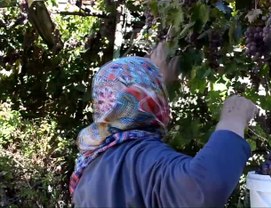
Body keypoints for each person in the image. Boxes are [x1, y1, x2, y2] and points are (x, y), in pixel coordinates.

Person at [69, 42, 258, 207]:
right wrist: (233, 119)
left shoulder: (90, 166)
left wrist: (153, 79)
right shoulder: (138, 158)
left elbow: (137, 102)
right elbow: (202, 189)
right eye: (156, 90)